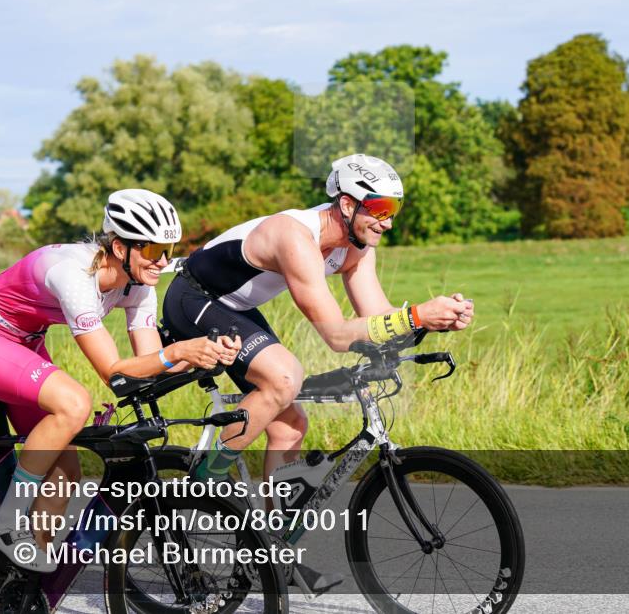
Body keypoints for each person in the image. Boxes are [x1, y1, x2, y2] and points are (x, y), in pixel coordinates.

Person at [0, 189, 240, 572]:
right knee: (74, 403)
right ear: (120, 247)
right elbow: (114, 370)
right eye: (152, 251)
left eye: (169, 249)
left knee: (64, 472)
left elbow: (149, 364)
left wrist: (203, 355)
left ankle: (29, 582)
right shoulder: (74, 275)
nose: (163, 261)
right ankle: (6, 525)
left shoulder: (139, 284)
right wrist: (179, 351)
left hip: (23, 343)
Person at [162, 152, 474, 482]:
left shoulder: (358, 246)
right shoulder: (295, 237)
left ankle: (271, 532)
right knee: (284, 379)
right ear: (347, 205)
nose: (389, 222)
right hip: (193, 298)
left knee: (291, 427)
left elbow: (380, 317)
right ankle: (199, 485)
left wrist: (430, 319)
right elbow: (337, 336)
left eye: (394, 209)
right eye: (380, 209)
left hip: (234, 307)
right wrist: (416, 315)